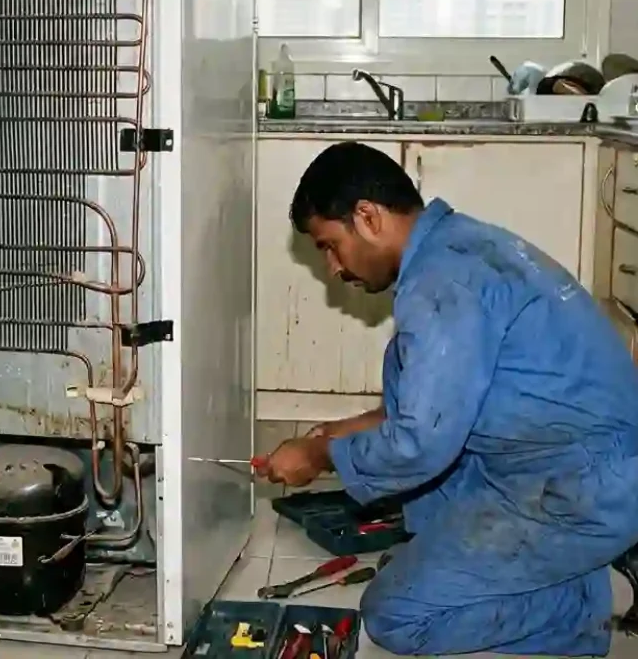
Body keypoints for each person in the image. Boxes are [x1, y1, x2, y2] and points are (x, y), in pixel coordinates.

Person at [255, 141, 638, 656]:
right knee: (422, 511)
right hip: (567, 460)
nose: (333, 268)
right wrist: (327, 436)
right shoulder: (459, 245)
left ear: (367, 217)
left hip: (581, 491)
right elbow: (426, 407)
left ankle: (595, 596)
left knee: (396, 615)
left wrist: (322, 455)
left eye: (330, 245)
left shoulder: (442, 285)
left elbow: (419, 442)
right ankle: (518, 571)